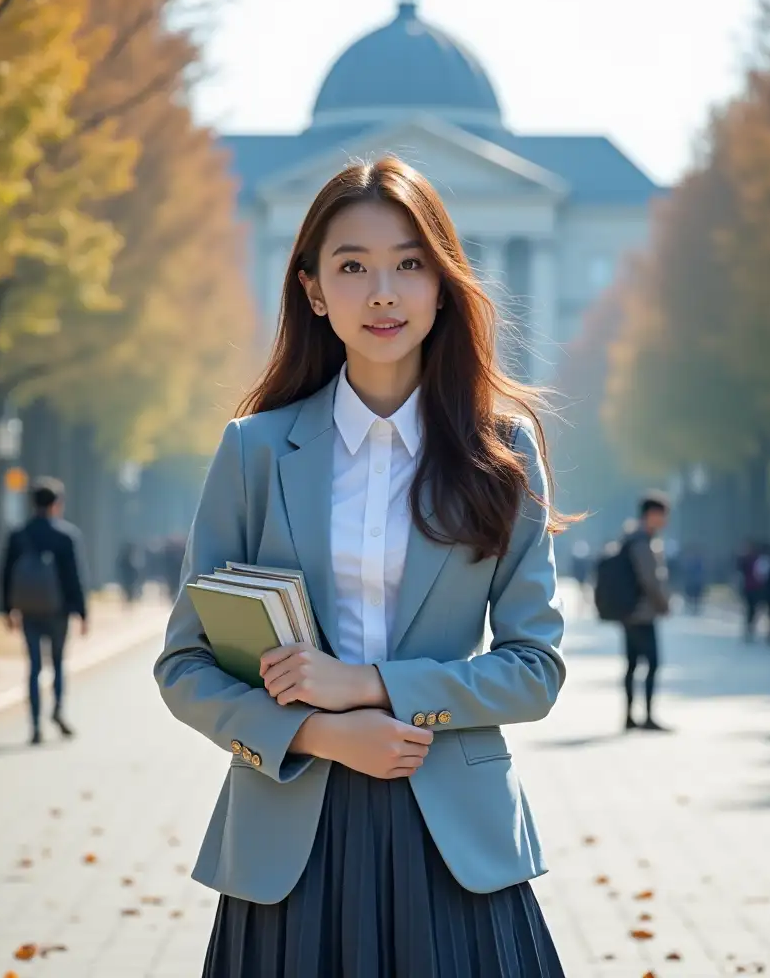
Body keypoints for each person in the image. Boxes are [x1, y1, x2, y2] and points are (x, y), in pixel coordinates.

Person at [155, 157, 570, 977]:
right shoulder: (256, 451)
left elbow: (535, 672)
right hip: (288, 839)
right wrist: (319, 731)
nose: (383, 292)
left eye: (409, 264)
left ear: (444, 285)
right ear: (313, 289)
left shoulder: (502, 452)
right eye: (352, 266)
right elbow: (184, 665)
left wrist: (372, 685)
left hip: (456, 838)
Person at [0, 477, 89, 745]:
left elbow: (5, 573)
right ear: (57, 504)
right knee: (59, 663)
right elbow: (75, 577)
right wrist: (82, 613)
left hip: (28, 610)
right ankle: (58, 710)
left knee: (34, 666)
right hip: (59, 610)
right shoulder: (66, 535)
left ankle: (35, 725)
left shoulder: (19, 534)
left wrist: (7, 609)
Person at [621, 493, 672, 732]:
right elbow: (649, 580)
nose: (664, 520)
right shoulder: (643, 541)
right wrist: (663, 604)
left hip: (629, 611)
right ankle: (647, 716)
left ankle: (630, 716)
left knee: (632, 664)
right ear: (651, 514)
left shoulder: (630, 537)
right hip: (642, 613)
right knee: (652, 663)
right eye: (662, 514)